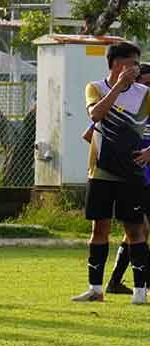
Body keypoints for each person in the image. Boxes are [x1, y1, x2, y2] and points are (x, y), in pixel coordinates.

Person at [72, 41, 150, 305]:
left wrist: (149, 152)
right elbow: (95, 115)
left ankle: (140, 292)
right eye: (133, 63)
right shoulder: (95, 87)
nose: (136, 69)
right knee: (99, 228)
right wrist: (118, 86)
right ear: (117, 64)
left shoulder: (145, 93)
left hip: (132, 173)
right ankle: (95, 289)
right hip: (101, 171)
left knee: (135, 230)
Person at [101, 61, 150, 295]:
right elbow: (91, 134)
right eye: (146, 83)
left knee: (136, 231)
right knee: (140, 229)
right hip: (135, 179)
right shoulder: (126, 110)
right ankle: (141, 283)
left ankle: (115, 281)